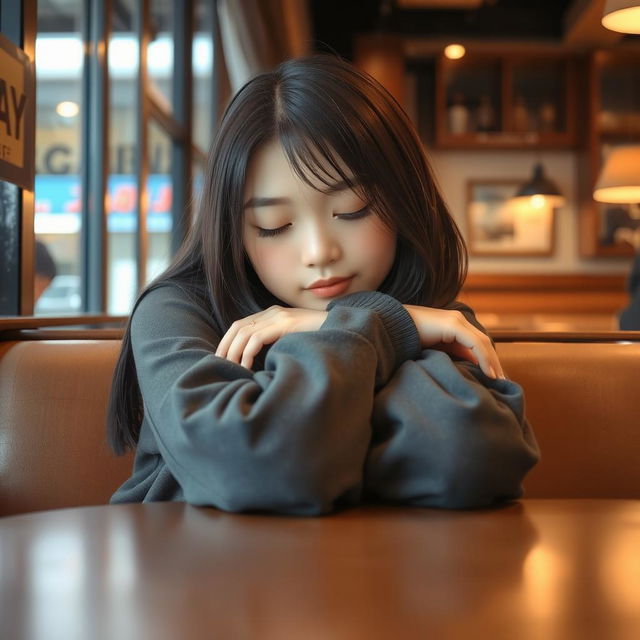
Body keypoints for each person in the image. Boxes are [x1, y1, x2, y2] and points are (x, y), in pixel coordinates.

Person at [107, 55, 540, 515]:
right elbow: (260, 464)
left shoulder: (436, 317)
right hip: (194, 578)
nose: (319, 251)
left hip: (368, 578)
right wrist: (387, 328)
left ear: (404, 200)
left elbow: (468, 456)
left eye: (352, 210)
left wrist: (342, 328)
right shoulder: (175, 313)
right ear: (234, 230)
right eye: (274, 225)